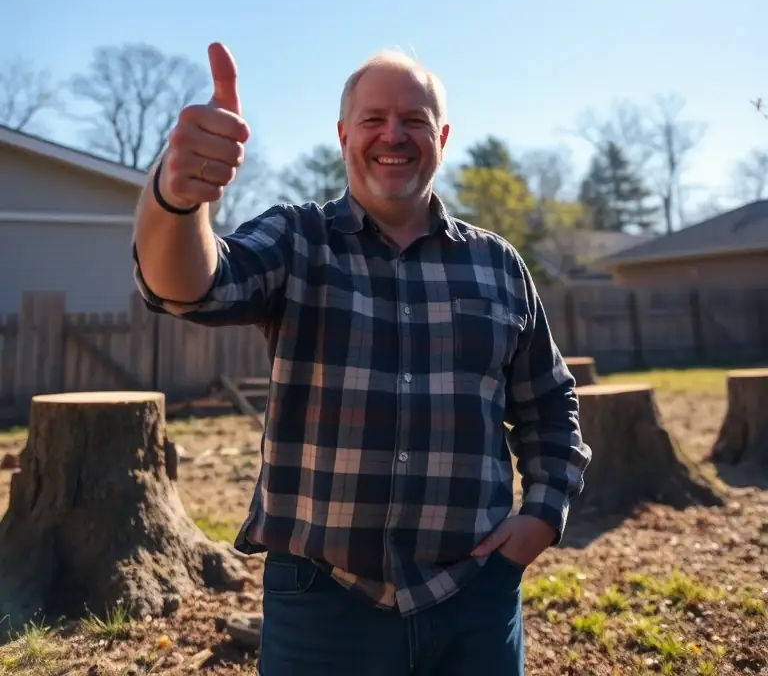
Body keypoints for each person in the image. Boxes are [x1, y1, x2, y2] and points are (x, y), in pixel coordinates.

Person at [132, 42, 591, 676]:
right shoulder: (297, 239)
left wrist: (544, 512)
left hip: (474, 598)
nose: (392, 135)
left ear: (443, 136)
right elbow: (189, 286)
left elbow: (549, 404)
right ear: (344, 134)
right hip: (322, 604)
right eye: (373, 119)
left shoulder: (498, 265)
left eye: (414, 120)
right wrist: (177, 200)